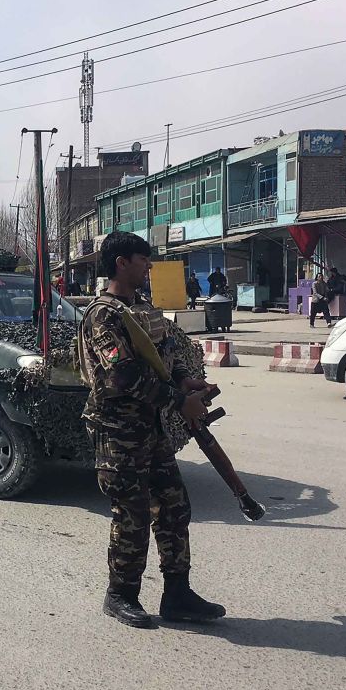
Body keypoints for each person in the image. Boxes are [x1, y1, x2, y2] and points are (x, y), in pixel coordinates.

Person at [77, 231, 225, 629]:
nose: (148, 267)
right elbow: (123, 375)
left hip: (152, 430)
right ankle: (120, 595)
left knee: (175, 508)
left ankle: (177, 594)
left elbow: (166, 357)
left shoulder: (141, 308)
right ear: (122, 263)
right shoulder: (102, 315)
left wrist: (184, 383)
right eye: (142, 260)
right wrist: (178, 401)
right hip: (119, 432)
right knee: (133, 515)